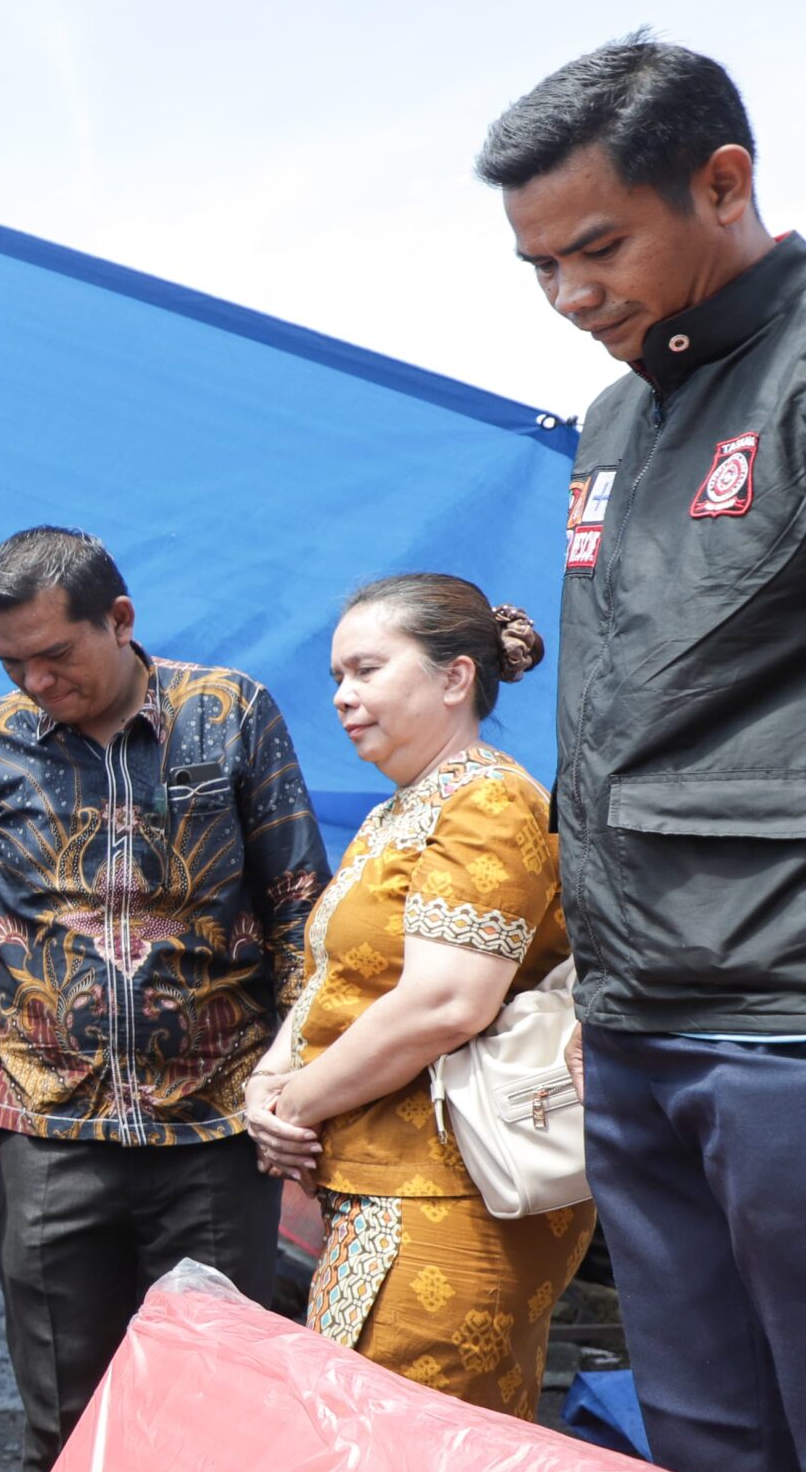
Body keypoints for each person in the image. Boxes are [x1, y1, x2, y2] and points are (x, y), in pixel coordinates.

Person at [482, 35, 806, 1472]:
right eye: (540, 266)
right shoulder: (614, 424)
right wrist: (587, 986)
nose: (570, 296)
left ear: (722, 184)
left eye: (598, 248)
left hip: (782, 1017)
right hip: (636, 1018)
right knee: (706, 1455)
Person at [0, 527, 328, 1472]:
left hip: (215, 1128)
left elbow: (299, 911)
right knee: (62, 1411)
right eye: (11, 663)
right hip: (46, 1130)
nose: (35, 681)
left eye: (54, 654)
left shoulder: (228, 714)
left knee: (219, 1408)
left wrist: (300, 1084)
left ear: (119, 620)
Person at [248, 578, 591, 1414]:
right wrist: (266, 1082)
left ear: (455, 678)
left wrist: (295, 1105)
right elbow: (337, 976)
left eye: (367, 669)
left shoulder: (489, 801)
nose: (342, 695)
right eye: (338, 676)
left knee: (397, 1455)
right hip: (384, 1184)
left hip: (446, 1190)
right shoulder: (398, 813)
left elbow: (447, 1003)